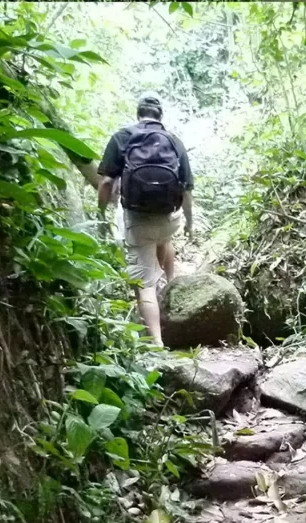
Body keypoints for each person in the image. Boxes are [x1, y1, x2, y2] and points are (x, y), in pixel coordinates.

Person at [98, 94, 194, 346]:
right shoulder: (174, 141)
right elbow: (186, 190)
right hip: (168, 218)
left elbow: (107, 182)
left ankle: (157, 344)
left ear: (138, 114)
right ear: (160, 116)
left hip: (138, 219)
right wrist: (190, 223)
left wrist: (100, 214)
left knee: (145, 286)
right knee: (164, 237)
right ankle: (171, 283)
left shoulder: (122, 137)